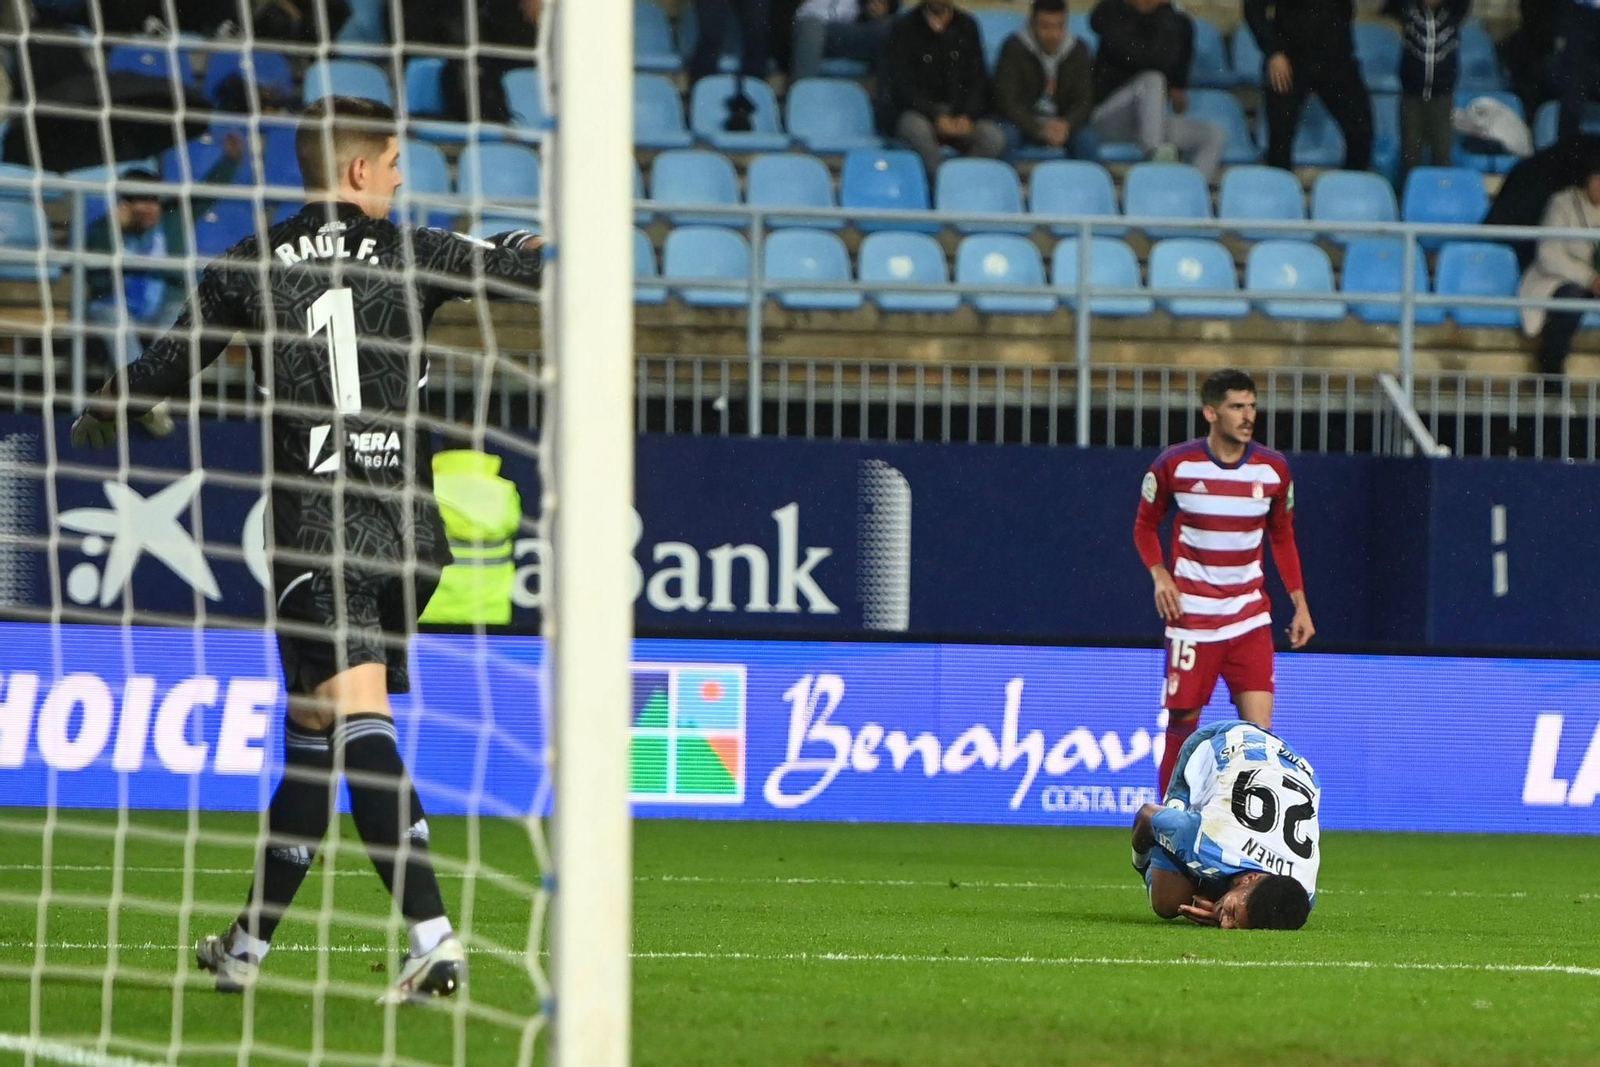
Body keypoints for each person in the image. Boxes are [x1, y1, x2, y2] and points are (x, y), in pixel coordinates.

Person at [70, 96, 544, 1002]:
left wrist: (109, 406)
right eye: (397, 162)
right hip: (408, 535)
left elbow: (162, 367)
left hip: (314, 533)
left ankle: (435, 938)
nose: (402, 178)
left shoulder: (248, 263)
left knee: (355, 711)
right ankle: (246, 945)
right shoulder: (416, 249)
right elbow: (519, 267)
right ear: (361, 170)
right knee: (313, 726)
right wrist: (534, 245)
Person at [1131, 368, 1314, 797]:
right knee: (1183, 722)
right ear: (1210, 413)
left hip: (1249, 616)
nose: (1248, 416)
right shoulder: (1176, 464)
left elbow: (1283, 535)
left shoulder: (1273, 470)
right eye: (1237, 407)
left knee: (1259, 734)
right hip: (1192, 617)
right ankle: (1171, 822)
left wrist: (1299, 603)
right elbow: (1144, 527)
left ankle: (1245, 835)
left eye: (1252, 406)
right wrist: (1160, 576)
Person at [86, 143, 242, 437]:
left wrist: (230, 160)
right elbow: (99, 285)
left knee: (173, 322)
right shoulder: (101, 229)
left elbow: (208, 192)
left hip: (163, 305)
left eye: (154, 200)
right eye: (140, 201)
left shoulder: (173, 219)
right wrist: (113, 231)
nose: (150, 208)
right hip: (116, 306)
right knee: (116, 323)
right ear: (124, 205)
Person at [1130, 717, 1319, 929]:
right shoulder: (1208, 841)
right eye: (1231, 913)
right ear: (1250, 879)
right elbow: (1145, 816)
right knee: (1169, 901)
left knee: (1212, 887)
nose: (1225, 926)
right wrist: (1141, 865)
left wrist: (1222, 910)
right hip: (1220, 743)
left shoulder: (1301, 895)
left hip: (1295, 766)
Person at [1088, 0, 1223, 179]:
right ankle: (1155, 157)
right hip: (1110, 118)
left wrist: (1177, 86)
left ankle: (1188, 192)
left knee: (1213, 134)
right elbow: (1147, 58)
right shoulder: (1114, 13)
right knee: (1152, 80)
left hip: (1150, 124)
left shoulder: (1177, 22)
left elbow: (1178, 76)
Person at [882, 0, 1007, 177]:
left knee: (993, 137)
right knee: (916, 129)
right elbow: (902, 86)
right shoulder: (904, 27)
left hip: (959, 113)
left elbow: (978, 80)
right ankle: (941, 181)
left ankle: (960, 182)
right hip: (919, 113)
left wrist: (967, 115)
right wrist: (936, 116)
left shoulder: (967, 25)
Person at [1244, 0, 1373, 172]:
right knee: (1280, 141)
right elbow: (1253, 8)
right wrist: (1273, 52)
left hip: (1337, 58)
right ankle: (1282, 193)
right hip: (1289, 60)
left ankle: (1351, 190)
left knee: (1361, 130)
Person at [1518, 155, 1600, 383]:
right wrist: (1589, 278)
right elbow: (1548, 254)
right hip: (1558, 279)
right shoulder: (1562, 203)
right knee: (1570, 300)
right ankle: (1551, 374)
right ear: (1589, 180)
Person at [993, 0, 1101, 160]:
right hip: (1024, 124)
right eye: (1045, 26)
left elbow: (1085, 100)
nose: (1053, 34)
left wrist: (1067, 124)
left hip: (1064, 125)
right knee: (1007, 137)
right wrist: (1038, 128)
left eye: (1059, 26)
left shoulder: (1079, 51)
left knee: (1087, 141)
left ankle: (1089, 184)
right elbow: (1007, 102)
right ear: (1032, 24)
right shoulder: (1014, 48)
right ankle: (1003, 183)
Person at [1399, 0, 1470, 176]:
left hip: (1442, 98)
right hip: (1412, 97)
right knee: (1410, 154)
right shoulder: (1409, 11)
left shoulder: (1454, 12)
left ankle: (1441, 196)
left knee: (1442, 153)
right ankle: (1410, 197)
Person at [791, 0, 897, 81]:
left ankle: (888, 104)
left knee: (892, 28)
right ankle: (805, 96)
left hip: (849, 31)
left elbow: (889, 7)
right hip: (806, 27)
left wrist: (877, 9)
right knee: (812, 26)